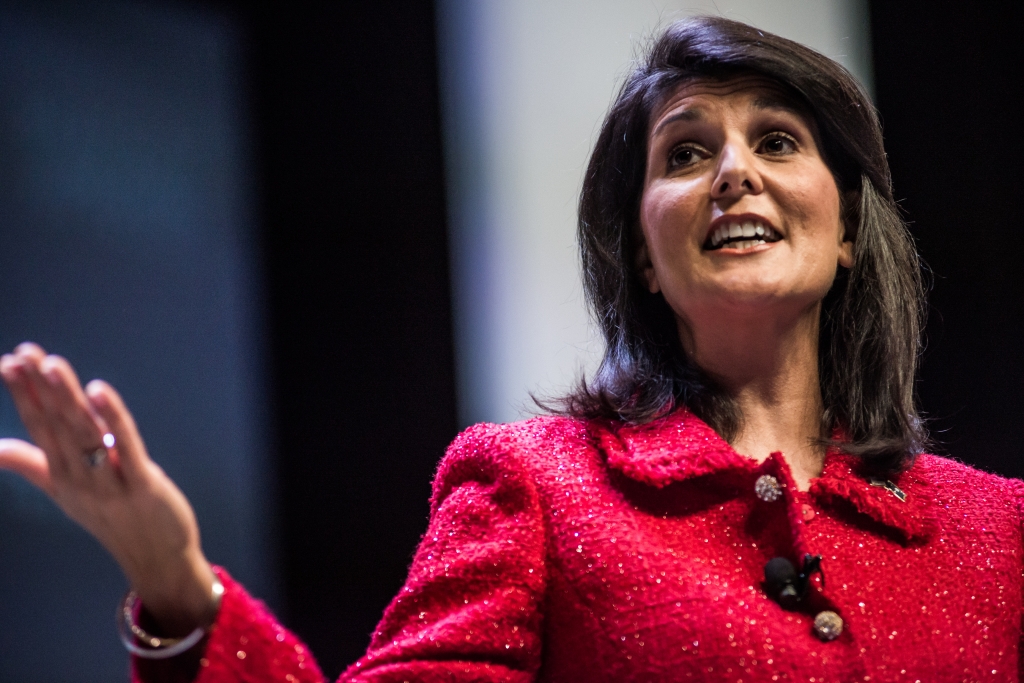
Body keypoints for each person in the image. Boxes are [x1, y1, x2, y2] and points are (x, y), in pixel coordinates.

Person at [0, 15, 1020, 682]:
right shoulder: (537, 486)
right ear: (645, 259)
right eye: (687, 151)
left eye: (779, 142)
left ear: (848, 230)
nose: (733, 174)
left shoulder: (998, 529)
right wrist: (182, 586)